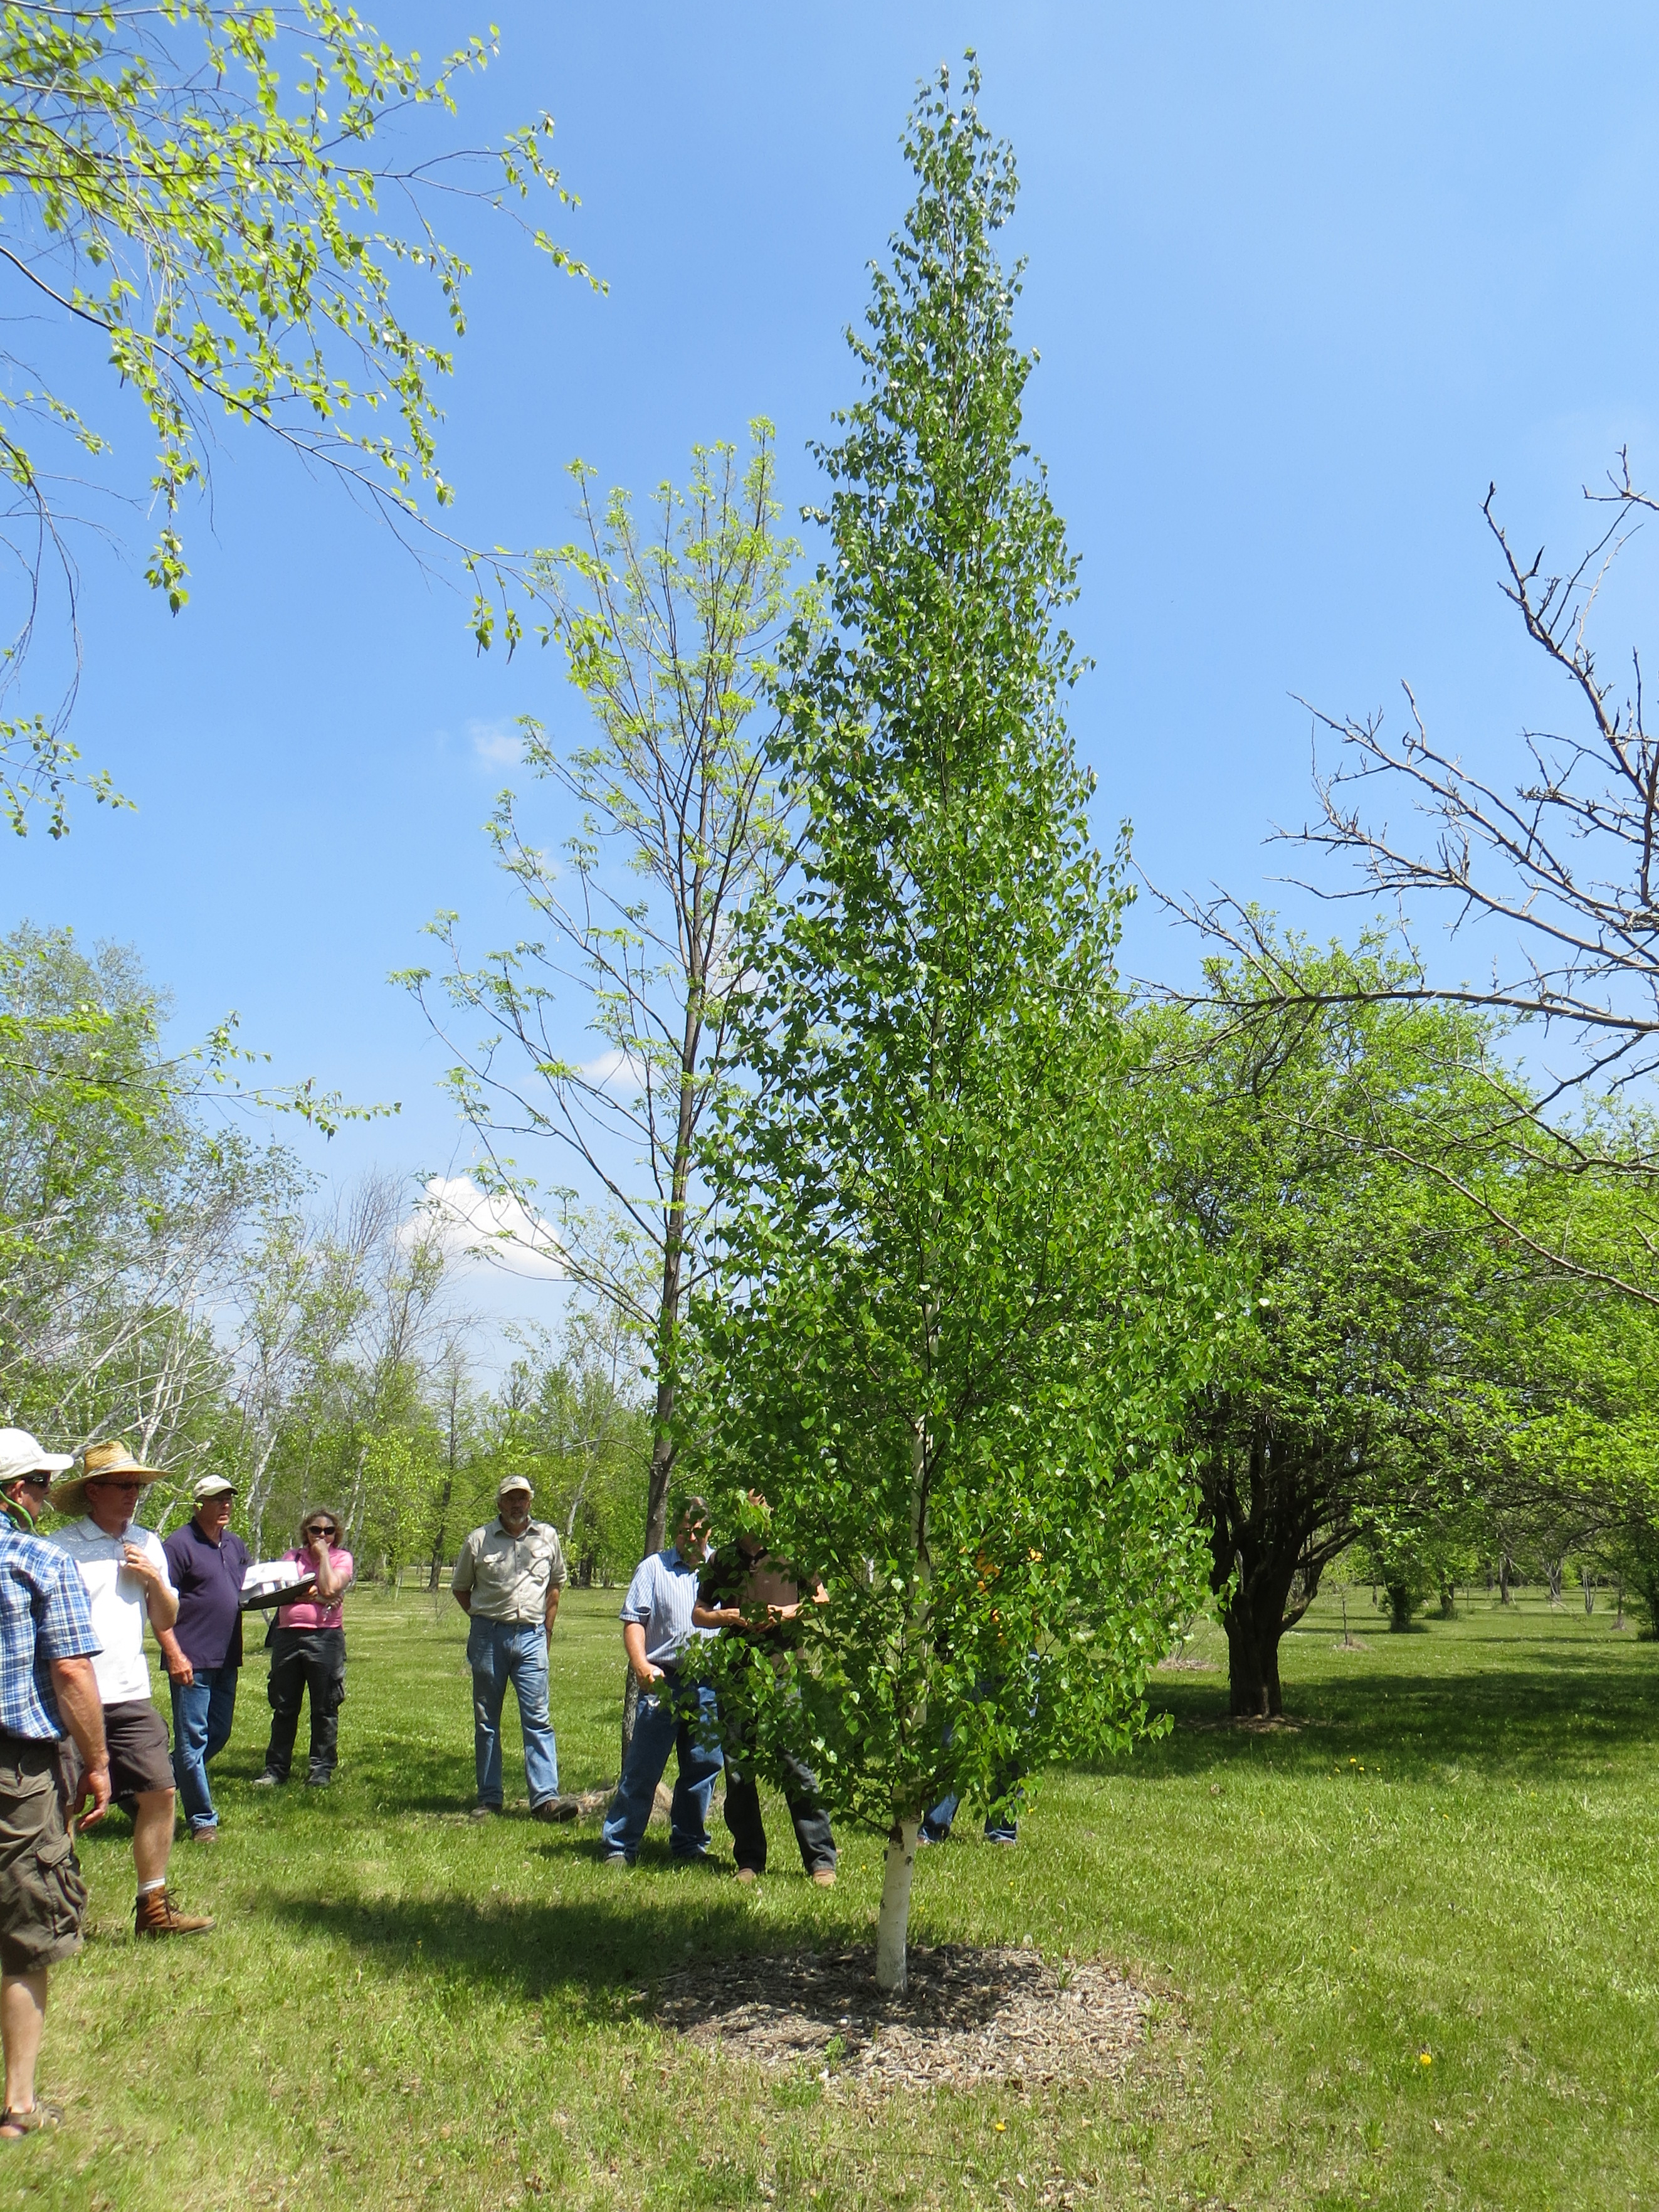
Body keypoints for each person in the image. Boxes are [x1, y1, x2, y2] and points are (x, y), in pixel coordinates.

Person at [47, 1441, 212, 1937]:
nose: (133, 1495)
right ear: (93, 1492)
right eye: (123, 1485)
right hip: (73, 1693)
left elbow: (166, 1617)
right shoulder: (62, 1547)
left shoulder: (147, 1541)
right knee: (66, 1802)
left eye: (137, 1486)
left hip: (130, 1691)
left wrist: (155, 1579)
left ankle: (154, 1909)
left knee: (160, 1791)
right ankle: (57, 1911)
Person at [0, 1432, 111, 2137]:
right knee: (24, 1932)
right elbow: (72, 1672)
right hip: (17, 1768)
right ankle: (16, 2104)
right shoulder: (39, 1558)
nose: (44, 1495)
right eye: (41, 1482)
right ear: (17, 1491)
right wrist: (97, 1761)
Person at [692, 1493, 837, 1887]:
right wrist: (728, 1616)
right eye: (748, 1505)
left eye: (763, 1504)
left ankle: (821, 1860)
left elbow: (821, 1600)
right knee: (739, 1770)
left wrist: (785, 1614)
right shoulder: (721, 1559)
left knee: (797, 1765)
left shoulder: (790, 1552)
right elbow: (699, 1613)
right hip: (737, 1679)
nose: (757, 1512)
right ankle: (750, 1860)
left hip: (783, 1673)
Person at [600, 1498, 723, 1867]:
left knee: (702, 1768)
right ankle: (619, 1845)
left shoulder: (722, 1569)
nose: (691, 1537)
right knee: (643, 1768)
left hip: (709, 1685)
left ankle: (689, 1845)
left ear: (709, 1532)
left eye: (698, 1531)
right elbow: (634, 1620)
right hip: (663, 1682)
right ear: (676, 1532)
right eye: (684, 1531)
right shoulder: (653, 1568)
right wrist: (641, 1665)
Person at [451, 1474, 569, 1821]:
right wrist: (483, 1619)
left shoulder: (547, 1537)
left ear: (530, 1502)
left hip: (532, 1637)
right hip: (489, 1638)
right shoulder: (479, 1540)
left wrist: (547, 1628)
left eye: (523, 1498)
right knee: (487, 1720)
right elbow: (461, 1589)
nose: (517, 1504)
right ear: (500, 1503)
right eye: (510, 1498)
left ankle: (546, 1800)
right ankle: (489, 1798)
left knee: (538, 1718)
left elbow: (556, 1584)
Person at [157, 1474, 251, 1843]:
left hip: (227, 1653)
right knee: (192, 1739)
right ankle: (202, 1821)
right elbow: (161, 1603)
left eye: (229, 1497)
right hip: (190, 1656)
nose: (225, 1504)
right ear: (199, 1505)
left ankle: (154, 1779)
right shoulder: (179, 1545)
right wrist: (173, 1653)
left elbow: (243, 1592)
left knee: (220, 1732)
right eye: (217, 1499)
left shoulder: (235, 1544)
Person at [255, 1506, 352, 1788]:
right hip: (288, 1637)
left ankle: (321, 1769)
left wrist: (323, 1559)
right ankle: (276, 1769)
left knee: (325, 1706)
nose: (322, 1535)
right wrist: (317, 1599)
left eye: (328, 1531)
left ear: (336, 1534)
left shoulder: (341, 1558)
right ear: (305, 1532)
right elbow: (279, 1593)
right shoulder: (291, 1558)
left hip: (326, 1638)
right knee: (284, 1706)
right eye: (315, 1530)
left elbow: (332, 1587)